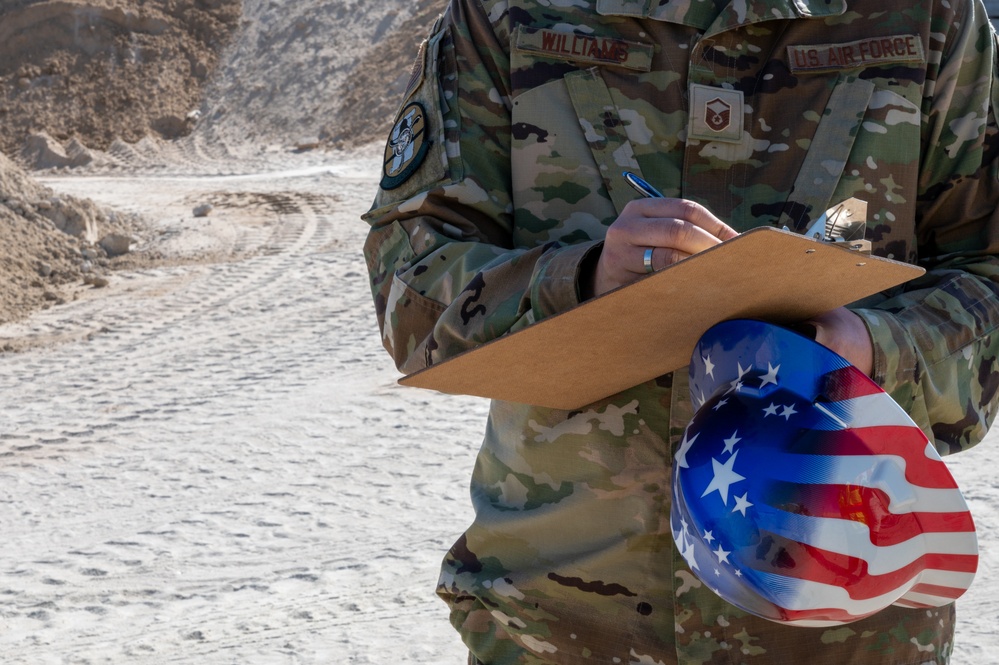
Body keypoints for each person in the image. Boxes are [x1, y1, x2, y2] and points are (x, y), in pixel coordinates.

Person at [362, 0, 999, 662]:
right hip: (564, 622)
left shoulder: (927, 16)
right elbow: (408, 281)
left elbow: (984, 268)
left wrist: (871, 352)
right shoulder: (508, 13)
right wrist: (578, 282)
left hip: (845, 619)